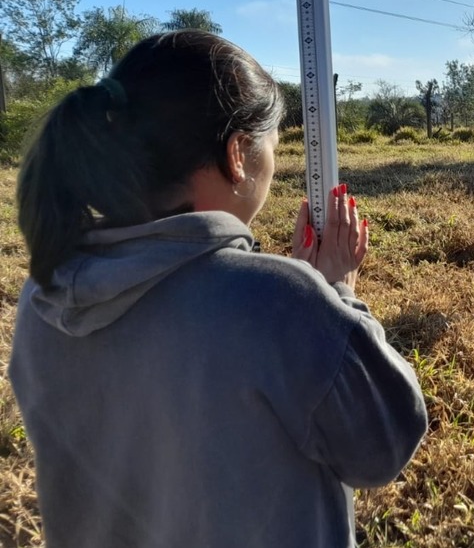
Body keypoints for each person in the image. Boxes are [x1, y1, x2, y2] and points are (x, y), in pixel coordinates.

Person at [9, 31, 428, 548]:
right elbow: (382, 448)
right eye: (273, 147)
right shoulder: (278, 302)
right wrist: (335, 293)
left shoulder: (45, 293)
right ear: (237, 154)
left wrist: (298, 299)